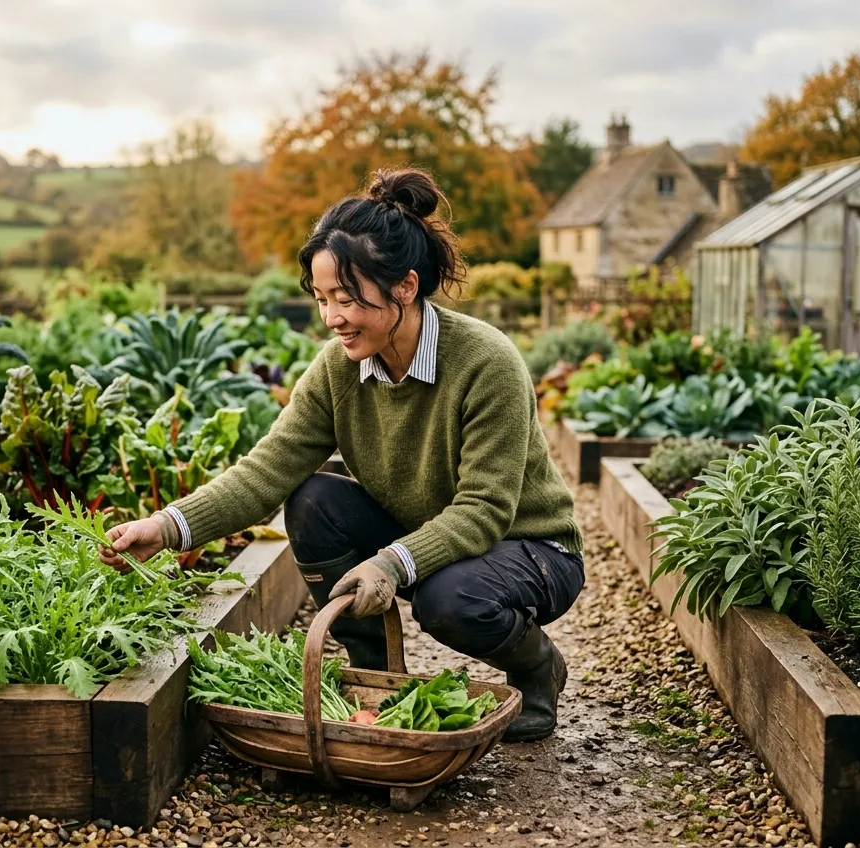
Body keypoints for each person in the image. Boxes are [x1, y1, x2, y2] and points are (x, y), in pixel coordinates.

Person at [100, 168, 585, 742]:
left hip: (530, 547)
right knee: (312, 500)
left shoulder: (485, 362)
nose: (332, 318)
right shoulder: (339, 368)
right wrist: (166, 527)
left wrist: (389, 563)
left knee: (448, 599)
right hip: (428, 536)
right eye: (324, 298)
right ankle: (372, 680)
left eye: (348, 298)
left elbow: (484, 509)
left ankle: (536, 669)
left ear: (404, 287)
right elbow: (266, 471)